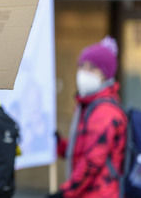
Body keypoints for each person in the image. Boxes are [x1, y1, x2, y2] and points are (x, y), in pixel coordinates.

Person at [47, 36, 127, 198]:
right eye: (82, 66)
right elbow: (85, 149)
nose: (84, 72)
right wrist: (60, 145)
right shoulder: (89, 106)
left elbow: (93, 161)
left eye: (92, 68)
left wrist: (65, 192)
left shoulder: (104, 111)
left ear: (105, 75)